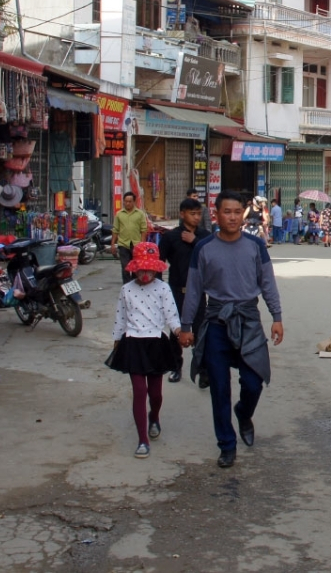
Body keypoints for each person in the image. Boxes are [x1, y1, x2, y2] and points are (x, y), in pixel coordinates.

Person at [177, 191, 285, 469]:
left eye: (238, 212)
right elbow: (194, 290)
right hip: (216, 323)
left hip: (248, 319)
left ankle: (244, 413)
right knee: (219, 389)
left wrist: (276, 315)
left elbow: (268, 283)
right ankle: (226, 444)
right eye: (228, 212)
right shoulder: (204, 248)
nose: (233, 217)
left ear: (243, 214)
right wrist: (186, 325)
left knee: (253, 381)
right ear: (216, 214)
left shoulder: (255, 246)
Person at [107, 242, 181, 459]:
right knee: (139, 391)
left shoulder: (163, 289)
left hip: (156, 342)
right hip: (133, 343)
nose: (145, 273)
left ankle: (154, 417)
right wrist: (116, 340)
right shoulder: (126, 290)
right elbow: (120, 317)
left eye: (149, 269)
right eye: (141, 269)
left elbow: (171, 315)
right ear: (133, 268)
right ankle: (142, 440)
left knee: (155, 393)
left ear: (156, 268)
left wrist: (180, 332)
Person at [158, 198, 212, 385]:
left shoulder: (205, 237)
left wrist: (195, 241)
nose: (196, 217)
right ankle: (176, 367)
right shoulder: (171, 237)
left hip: (198, 293)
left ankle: (203, 370)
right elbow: (159, 262)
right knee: (176, 330)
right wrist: (158, 288)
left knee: (201, 331)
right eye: (192, 213)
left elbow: (213, 258)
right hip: (175, 291)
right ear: (182, 214)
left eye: (198, 213)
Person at [112, 191, 149, 283]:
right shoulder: (119, 214)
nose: (127, 203)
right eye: (126, 201)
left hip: (136, 245)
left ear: (134, 202)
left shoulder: (140, 214)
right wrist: (113, 244)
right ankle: (126, 286)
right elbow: (115, 230)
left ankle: (134, 284)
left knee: (136, 267)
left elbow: (143, 230)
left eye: (130, 201)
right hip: (123, 244)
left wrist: (142, 244)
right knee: (125, 267)